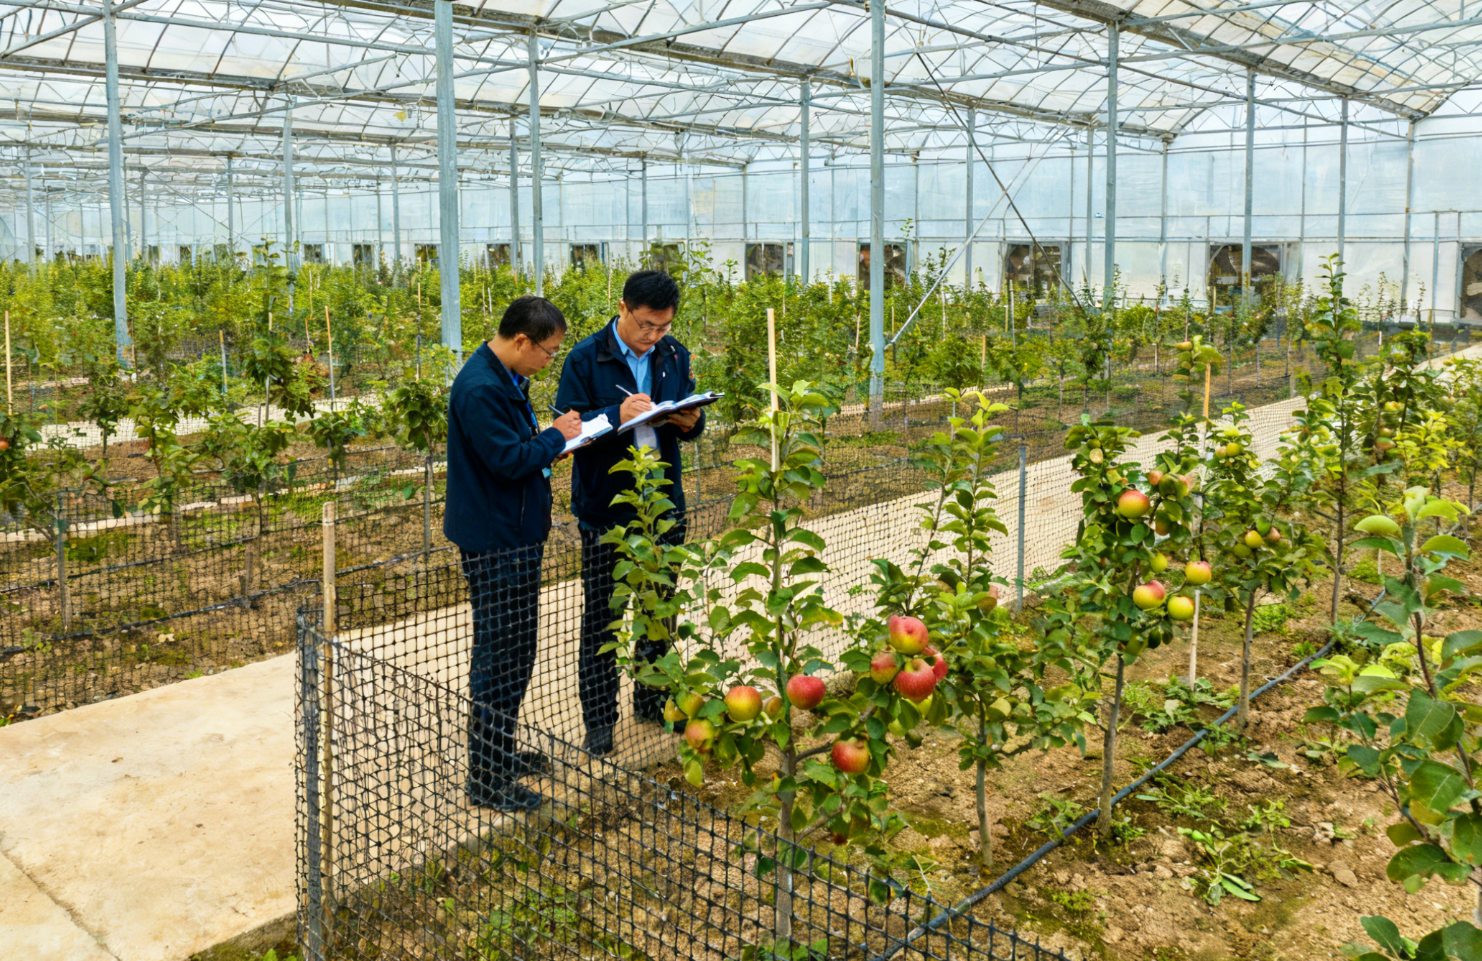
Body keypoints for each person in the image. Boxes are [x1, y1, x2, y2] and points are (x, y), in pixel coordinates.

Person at [555, 270, 705, 756]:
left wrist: (690, 421)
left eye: (663, 327)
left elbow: (685, 420)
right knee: (604, 617)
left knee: (658, 609)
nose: (654, 336)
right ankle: (600, 721)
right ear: (622, 308)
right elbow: (568, 432)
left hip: (661, 505)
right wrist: (612, 417)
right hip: (607, 507)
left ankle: (652, 698)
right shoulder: (584, 357)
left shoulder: (673, 355)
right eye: (646, 325)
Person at [444, 295, 582, 811]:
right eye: (547, 352)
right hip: (496, 541)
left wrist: (553, 439)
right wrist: (554, 437)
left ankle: (500, 754)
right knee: (499, 657)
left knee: (517, 651)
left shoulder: (503, 377)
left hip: (515, 534)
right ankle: (487, 778)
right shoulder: (480, 388)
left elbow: (517, 446)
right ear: (521, 340)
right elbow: (506, 460)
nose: (549, 361)